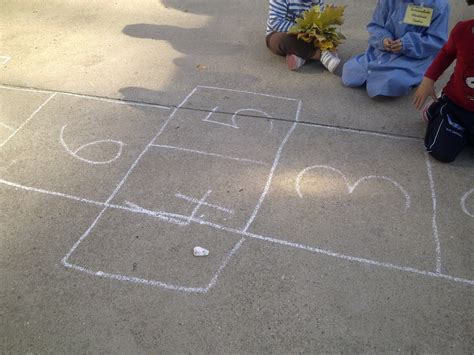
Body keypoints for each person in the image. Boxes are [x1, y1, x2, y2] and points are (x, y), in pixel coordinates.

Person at [342, 0, 449, 98]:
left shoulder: (439, 5)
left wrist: (407, 44)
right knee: (350, 70)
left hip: (414, 57)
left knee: (393, 81)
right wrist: (383, 39)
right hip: (382, 51)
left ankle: (402, 79)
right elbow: (375, 25)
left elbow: (436, 40)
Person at [413, 1, 474, 163]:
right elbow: (447, 53)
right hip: (457, 106)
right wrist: (428, 79)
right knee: (441, 152)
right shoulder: (463, 31)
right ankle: (437, 110)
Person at [266, 0, 341, 72]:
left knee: (329, 37)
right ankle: (319, 54)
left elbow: (319, 18)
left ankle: (300, 56)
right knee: (280, 40)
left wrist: (328, 16)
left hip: (308, 34)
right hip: (282, 32)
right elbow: (276, 22)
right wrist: (300, 30)